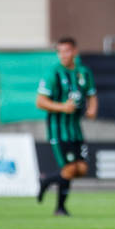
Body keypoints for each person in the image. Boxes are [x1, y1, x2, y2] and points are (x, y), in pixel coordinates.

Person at [36, 37, 98, 216]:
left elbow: (92, 94)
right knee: (70, 169)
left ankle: (47, 180)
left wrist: (92, 109)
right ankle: (60, 208)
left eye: (67, 51)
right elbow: (40, 102)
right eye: (60, 51)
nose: (64, 55)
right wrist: (62, 106)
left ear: (75, 52)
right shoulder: (53, 73)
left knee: (82, 169)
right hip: (58, 128)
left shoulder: (83, 72)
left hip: (75, 129)